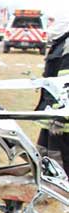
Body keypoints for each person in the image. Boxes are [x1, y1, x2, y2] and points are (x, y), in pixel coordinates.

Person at [35, 18, 69, 173]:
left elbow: (65, 82)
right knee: (43, 154)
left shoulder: (66, 45)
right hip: (51, 115)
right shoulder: (59, 44)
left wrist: (60, 114)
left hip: (62, 121)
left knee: (59, 160)